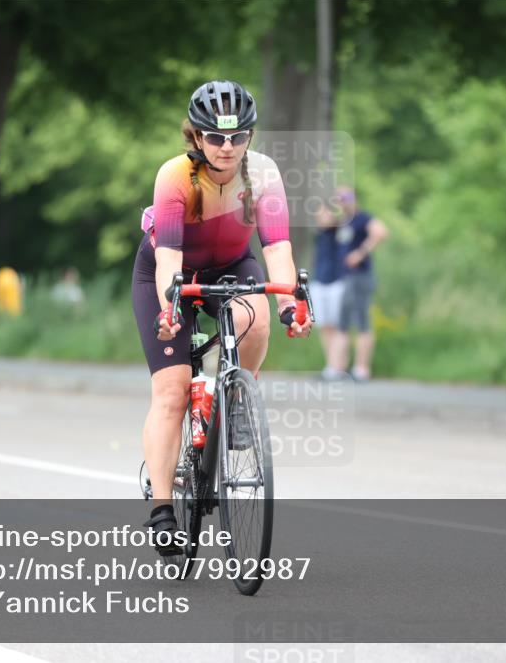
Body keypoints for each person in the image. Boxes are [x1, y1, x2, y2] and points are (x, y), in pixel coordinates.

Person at [131, 80, 312, 555]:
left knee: (257, 315)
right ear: (196, 137)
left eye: (238, 137)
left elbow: (276, 247)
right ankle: (163, 511)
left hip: (232, 265)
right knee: (171, 390)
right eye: (215, 137)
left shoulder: (263, 175)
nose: (227, 147)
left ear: (250, 136)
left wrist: (290, 302)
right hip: (170, 272)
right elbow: (168, 255)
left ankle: (236, 396)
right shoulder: (175, 176)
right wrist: (171, 309)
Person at [335, 186, 388, 382]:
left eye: (346, 197)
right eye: (339, 198)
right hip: (347, 277)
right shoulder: (343, 222)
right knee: (343, 322)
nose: (342, 201)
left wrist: (361, 253)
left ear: (354, 199)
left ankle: (361, 369)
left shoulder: (362, 218)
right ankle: (339, 368)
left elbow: (381, 232)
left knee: (362, 321)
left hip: (361, 276)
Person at [311, 200, 348, 380]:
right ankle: (332, 365)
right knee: (325, 326)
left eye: (325, 213)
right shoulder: (319, 234)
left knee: (339, 326)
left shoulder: (340, 232)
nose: (321, 216)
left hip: (337, 283)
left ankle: (337, 366)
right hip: (319, 282)